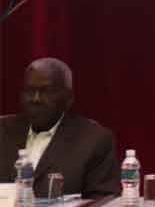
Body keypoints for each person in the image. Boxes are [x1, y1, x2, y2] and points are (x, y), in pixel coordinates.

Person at [0, 58, 119, 198]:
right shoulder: (3, 130)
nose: (36, 99)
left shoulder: (94, 140)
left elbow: (102, 204)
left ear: (68, 98)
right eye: (29, 90)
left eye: (47, 91)